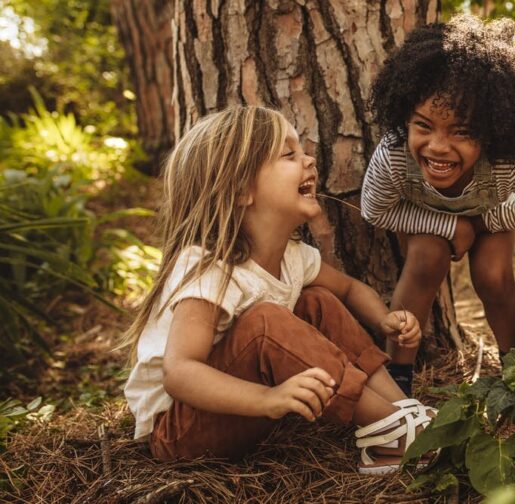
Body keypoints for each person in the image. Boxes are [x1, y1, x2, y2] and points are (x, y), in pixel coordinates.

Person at [119, 106, 433, 474]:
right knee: (267, 321)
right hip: (181, 429)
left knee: (317, 301)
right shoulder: (209, 268)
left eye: (301, 151)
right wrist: (268, 399)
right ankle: (393, 433)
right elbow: (180, 372)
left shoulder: (294, 257)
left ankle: (399, 412)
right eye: (289, 154)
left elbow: (347, 289)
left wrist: (384, 320)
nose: (309, 160)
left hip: (238, 408)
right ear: (240, 189)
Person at [361, 14, 515, 394]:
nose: (438, 146)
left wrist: (488, 220)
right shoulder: (394, 154)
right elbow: (374, 210)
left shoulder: (507, 161)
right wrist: (448, 226)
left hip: (488, 215)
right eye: (423, 126)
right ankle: (397, 384)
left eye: (461, 132)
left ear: (491, 132)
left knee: (493, 276)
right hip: (424, 220)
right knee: (426, 258)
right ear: (405, 117)